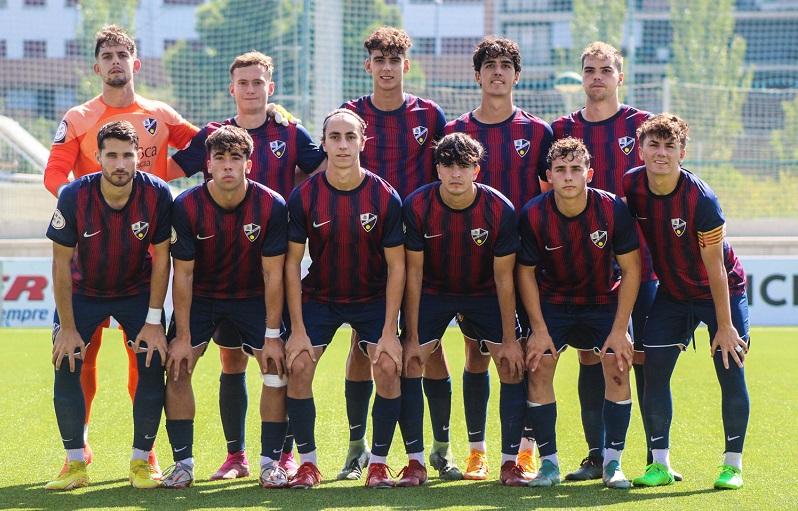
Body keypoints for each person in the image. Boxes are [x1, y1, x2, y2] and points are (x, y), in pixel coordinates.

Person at [43, 25, 198, 475]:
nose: (115, 61)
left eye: (122, 54)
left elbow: (207, 145)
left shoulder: (160, 113)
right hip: (89, 256)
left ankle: (144, 453)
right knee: (78, 353)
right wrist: (84, 207)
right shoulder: (78, 117)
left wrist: (271, 114)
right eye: (107, 55)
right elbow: (54, 174)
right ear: (97, 66)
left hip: (141, 256)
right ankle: (80, 447)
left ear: (136, 63)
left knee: (146, 356)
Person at [170, 51, 325, 482]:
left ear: (270, 88)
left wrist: (298, 197)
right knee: (230, 363)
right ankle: (234, 456)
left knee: (277, 363)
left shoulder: (290, 130)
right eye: (244, 83)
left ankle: (281, 458)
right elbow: (167, 168)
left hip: (267, 265)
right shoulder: (212, 136)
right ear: (232, 89)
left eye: (259, 83)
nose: (251, 90)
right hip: (215, 266)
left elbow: (329, 167)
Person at [549, 41, 674, 480]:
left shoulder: (642, 126)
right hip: (586, 272)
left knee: (641, 359)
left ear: (620, 76)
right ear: (581, 77)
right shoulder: (563, 127)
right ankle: (598, 454)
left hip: (642, 265)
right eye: (589, 70)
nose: (597, 76)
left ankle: (656, 459)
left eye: (606, 69)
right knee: (592, 358)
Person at [340, 26, 458, 481]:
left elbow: (450, 167)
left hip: (422, 243)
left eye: (395, 61)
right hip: (365, 242)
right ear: (368, 65)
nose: (387, 68)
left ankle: (441, 449)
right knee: (363, 342)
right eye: (379, 60)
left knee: (427, 344)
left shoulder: (430, 115)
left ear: (406, 66)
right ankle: (357, 447)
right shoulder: (350, 114)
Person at [444, 36, 553, 479]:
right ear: (477, 75)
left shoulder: (538, 132)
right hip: (473, 262)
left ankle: (525, 449)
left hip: (524, 262)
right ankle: (477, 450)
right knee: (475, 354)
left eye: (506, 64)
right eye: (489, 65)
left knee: (523, 353)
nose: (497, 72)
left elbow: (549, 196)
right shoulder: (457, 131)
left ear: (516, 74)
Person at [623, 114, 749, 490]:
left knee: (730, 369)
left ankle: (732, 465)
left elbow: (716, 271)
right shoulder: (632, 185)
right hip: (673, 293)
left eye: (669, 146)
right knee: (655, 371)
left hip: (721, 292)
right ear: (640, 148)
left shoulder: (702, 199)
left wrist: (724, 327)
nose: (661, 153)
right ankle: (659, 464)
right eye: (654, 145)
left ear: (683, 151)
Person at [44, 120, 172, 490]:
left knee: (151, 360)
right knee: (67, 360)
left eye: (128, 156)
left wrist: (152, 321)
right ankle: (74, 463)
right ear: (97, 157)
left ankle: (141, 461)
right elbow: (61, 264)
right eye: (112, 155)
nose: (120, 163)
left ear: (138, 159)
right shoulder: (72, 196)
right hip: (85, 292)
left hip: (136, 290)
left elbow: (163, 259)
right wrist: (67, 329)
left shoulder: (158, 194)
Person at [161, 125, 289, 489]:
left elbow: (273, 274)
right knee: (178, 366)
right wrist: (183, 336)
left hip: (253, 297)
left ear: (249, 164)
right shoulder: (186, 205)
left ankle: (270, 463)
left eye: (236, 158)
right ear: (208, 164)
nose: (228, 166)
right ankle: (183, 464)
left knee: (275, 368)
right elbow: (182, 275)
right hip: (203, 296)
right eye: (220, 158)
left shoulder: (271, 205)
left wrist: (272, 334)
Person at [283, 109, 405, 489]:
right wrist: (298, 330)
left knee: (386, 366)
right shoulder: (305, 195)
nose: (342, 144)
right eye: (334, 137)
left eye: (350, 137)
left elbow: (397, 267)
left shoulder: (384, 196)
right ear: (324, 143)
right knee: (299, 366)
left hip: (371, 298)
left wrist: (389, 331)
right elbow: (290, 264)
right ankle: (308, 464)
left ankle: (379, 464)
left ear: (362, 142)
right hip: (321, 296)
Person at [400, 132, 528, 487]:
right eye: (448, 165)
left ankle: (508, 462)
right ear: (438, 169)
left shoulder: (500, 209)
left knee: (510, 364)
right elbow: (414, 273)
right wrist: (411, 336)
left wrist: (509, 337)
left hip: (484, 291)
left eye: (464, 166)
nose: (456, 174)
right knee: (411, 361)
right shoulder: (417, 205)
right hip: (434, 291)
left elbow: (504, 279)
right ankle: (414, 462)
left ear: (476, 169)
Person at [517, 137, 641, 489]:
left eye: (575, 170)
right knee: (539, 365)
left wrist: (620, 330)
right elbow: (525, 272)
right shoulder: (534, 213)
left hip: (603, 300)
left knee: (617, 364)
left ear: (589, 173)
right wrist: (538, 330)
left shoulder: (613, 209)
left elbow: (631, 270)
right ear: (549, 176)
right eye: (560, 170)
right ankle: (549, 465)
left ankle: (613, 464)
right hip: (554, 302)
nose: (568, 177)